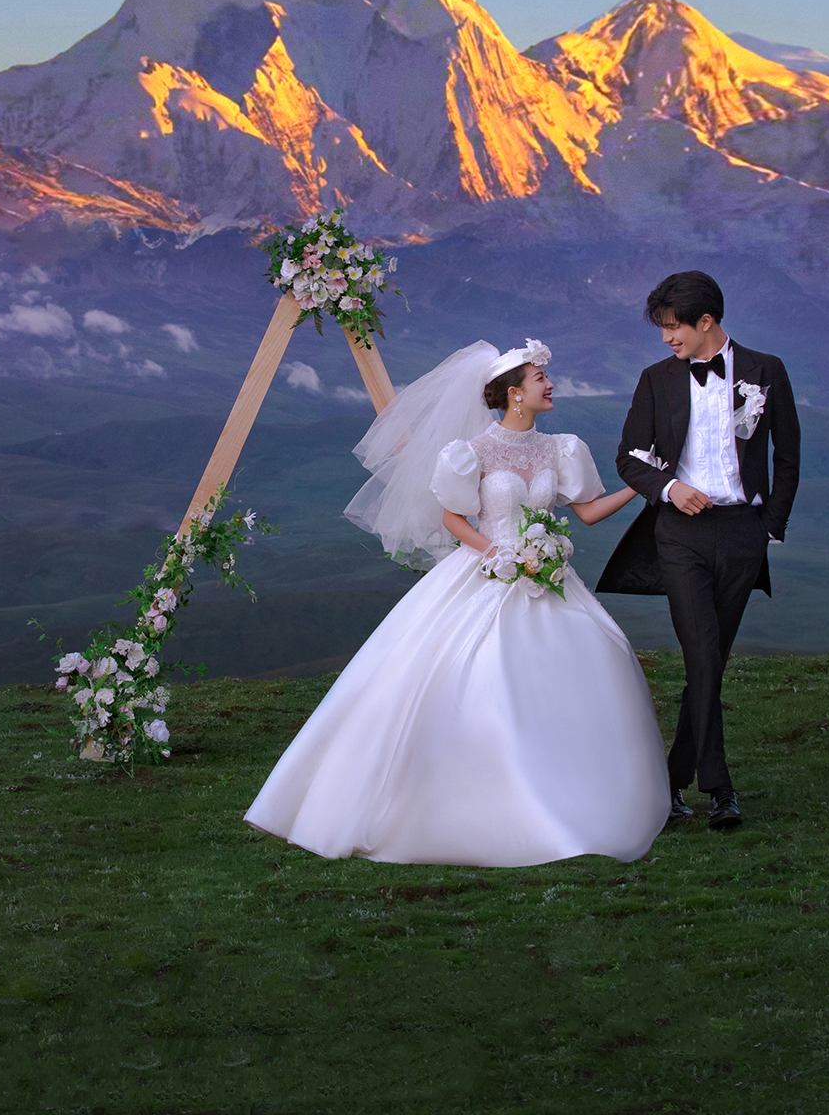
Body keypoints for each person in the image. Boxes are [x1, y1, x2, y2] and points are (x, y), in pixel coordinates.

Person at [244, 339, 668, 866]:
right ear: (515, 394)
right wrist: (501, 554)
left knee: (600, 650)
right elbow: (453, 518)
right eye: (540, 377)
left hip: (546, 574)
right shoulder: (474, 451)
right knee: (478, 674)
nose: (550, 383)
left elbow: (587, 512)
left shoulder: (560, 449)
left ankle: (579, 789)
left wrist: (642, 484)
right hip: (488, 569)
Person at [598, 271, 801, 832]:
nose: (666, 339)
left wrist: (768, 528)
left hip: (742, 533)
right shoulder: (656, 379)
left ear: (705, 322)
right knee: (702, 653)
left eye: (672, 327)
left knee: (709, 664)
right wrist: (668, 489)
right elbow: (628, 457)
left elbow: (788, 454)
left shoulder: (767, 370)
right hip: (679, 535)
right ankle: (720, 788)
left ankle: (670, 784)